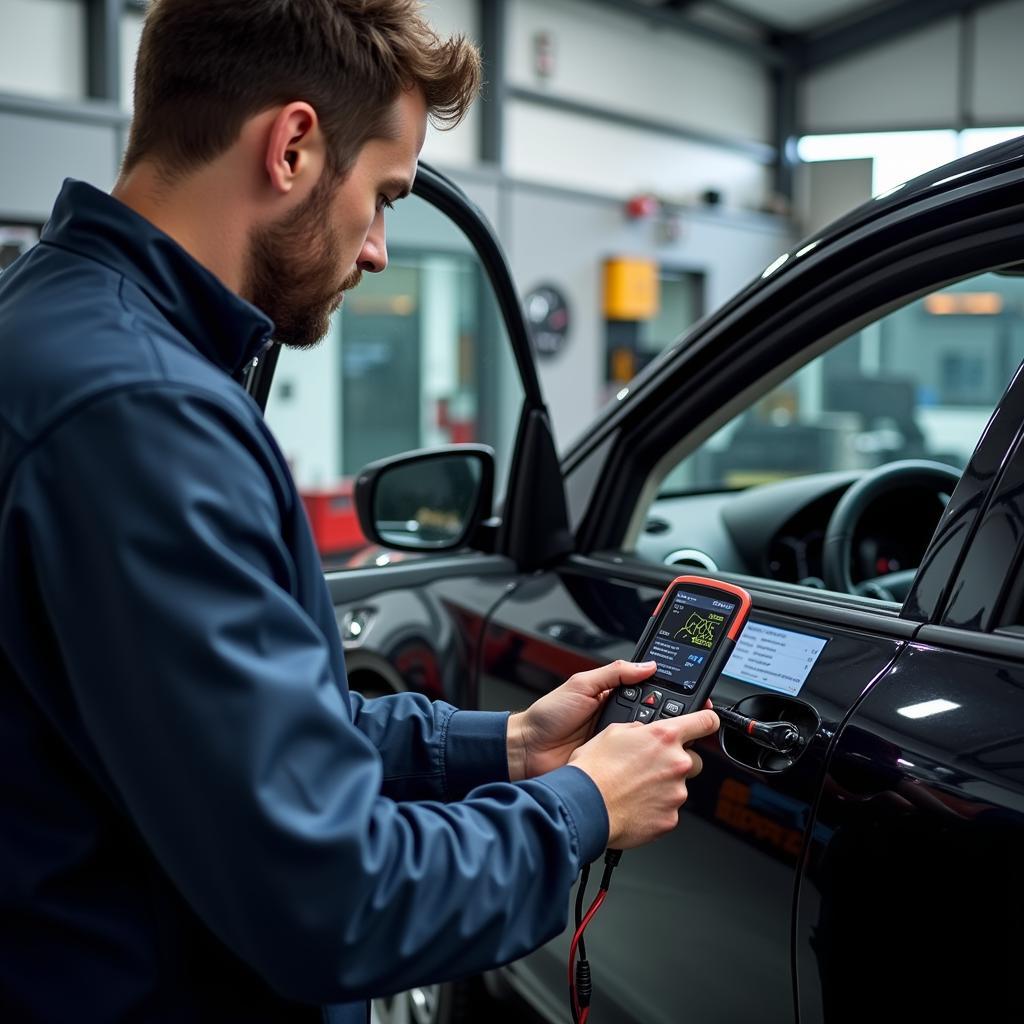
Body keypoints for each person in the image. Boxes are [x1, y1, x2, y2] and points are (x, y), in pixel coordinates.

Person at [0, 2, 719, 1021]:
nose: (378, 247)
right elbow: (333, 898)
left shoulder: (51, 325)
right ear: (292, 145)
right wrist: (583, 807)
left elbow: (237, 737)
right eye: (382, 195)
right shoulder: (145, 415)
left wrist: (506, 746)